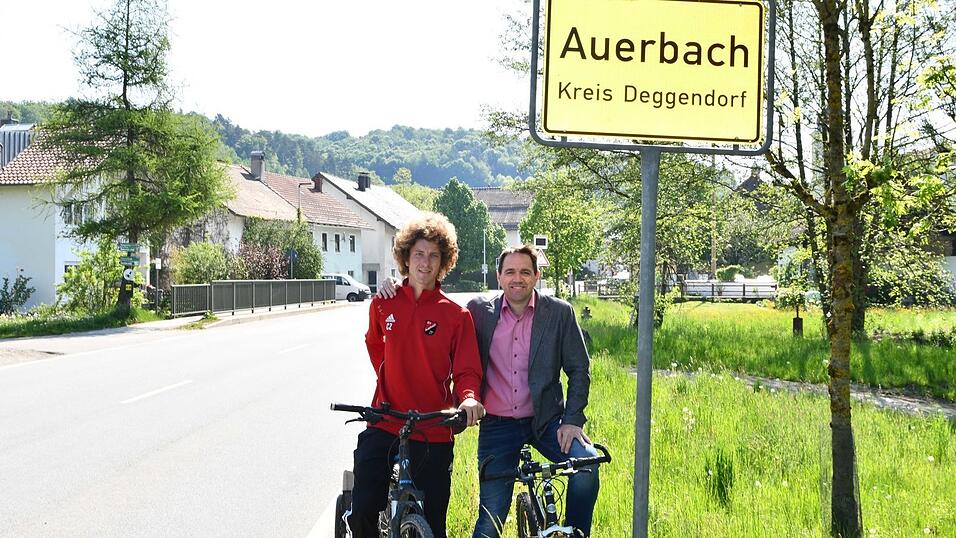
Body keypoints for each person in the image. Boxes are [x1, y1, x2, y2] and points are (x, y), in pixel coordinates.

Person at [379, 245, 599, 537]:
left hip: (547, 422)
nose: (516, 278)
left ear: (536, 276)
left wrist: (572, 420)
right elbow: (431, 297)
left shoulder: (559, 313)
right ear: (499, 276)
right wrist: (398, 285)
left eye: (524, 272)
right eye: (510, 272)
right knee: (489, 524)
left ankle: (574, 532)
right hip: (498, 426)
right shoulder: (479, 311)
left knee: (587, 465)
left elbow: (579, 369)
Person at [347, 212, 485, 538]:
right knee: (364, 507)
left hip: (434, 426)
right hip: (385, 418)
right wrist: (389, 375)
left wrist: (468, 399)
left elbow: (467, 370)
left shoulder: (456, 315)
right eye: (418, 254)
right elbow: (374, 344)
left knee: (434, 522)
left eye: (434, 256)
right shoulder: (383, 303)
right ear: (406, 258)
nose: (425, 262)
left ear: (444, 262)